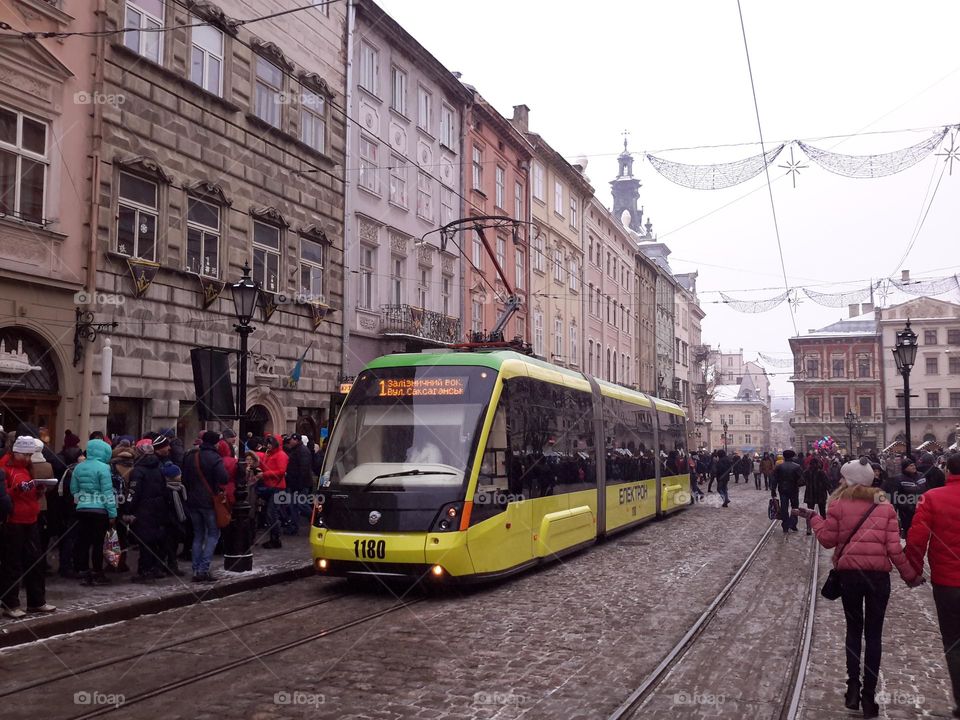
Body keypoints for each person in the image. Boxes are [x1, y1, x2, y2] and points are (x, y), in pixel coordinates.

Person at [796, 458, 922, 718]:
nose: (840, 481)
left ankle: (852, 687)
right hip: (878, 580)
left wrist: (815, 519)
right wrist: (910, 576)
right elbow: (894, 550)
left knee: (854, 631)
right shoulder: (884, 506)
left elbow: (828, 540)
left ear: (851, 480)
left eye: (844, 477)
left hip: (850, 577)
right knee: (874, 636)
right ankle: (869, 699)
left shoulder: (839, 505)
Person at [906, 452, 960, 719]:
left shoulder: (933, 498)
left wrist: (913, 573)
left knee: (954, 641)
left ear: (948, 470)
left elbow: (916, 539)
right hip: (947, 581)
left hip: (948, 584)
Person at [1, 436, 56, 617]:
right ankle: (10, 603)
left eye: (30, 455)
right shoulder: (4, 467)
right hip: (13, 521)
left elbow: (28, 493)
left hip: (30, 518)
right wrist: (17, 490)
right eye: (25, 455)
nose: (28, 458)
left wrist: (38, 490)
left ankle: (37, 601)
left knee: (35, 561)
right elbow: (3, 494)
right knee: (12, 563)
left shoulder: (27, 468)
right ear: (16, 452)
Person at [182, 431, 228, 582]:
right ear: (216, 443)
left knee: (198, 535)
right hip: (209, 501)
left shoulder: (190, 456)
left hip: (192, 501)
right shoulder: (215, 457)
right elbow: (224, 478)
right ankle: (203, 569)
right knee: (213, 535)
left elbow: (184, 478)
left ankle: (196, 570)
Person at [70, 438, 117, 585]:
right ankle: (97, 572)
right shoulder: (104, 468)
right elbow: (107, 492)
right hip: (99, 510)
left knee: (83, 542)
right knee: (98, 543)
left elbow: (73, 489)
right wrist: (112, 513)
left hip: (82, 509)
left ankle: (84, 572)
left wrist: (81, 501)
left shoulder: (79, 467)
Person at [126, 438, 172, 581]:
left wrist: (127, 509)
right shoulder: (159, 468)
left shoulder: (138, 471)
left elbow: (133, 492)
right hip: (158, 508)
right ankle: (154, 567)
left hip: (143, 509)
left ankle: (145, 570)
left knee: (144, 541)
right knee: (154, 539)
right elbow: (165, 489)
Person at [260, 435, 289, 549]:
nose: (268, 446)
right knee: (271, 514)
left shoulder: (280, 455)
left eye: (270, 443)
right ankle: (274, 538)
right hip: (273, 486)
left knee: (272, 514)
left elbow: (281, 471)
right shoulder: (272, 454)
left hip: (277, 487)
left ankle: (275, 539)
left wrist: (264, 474)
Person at [884, 457, 925, 537]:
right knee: (909, 530)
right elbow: (895, 495)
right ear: (905, 468)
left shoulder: (921, 475)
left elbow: (926, 488)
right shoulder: (899, 479)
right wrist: (902, 506)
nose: (913, 467)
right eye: (910, 466)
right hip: (907, 511)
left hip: (921, 507)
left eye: (913, 465)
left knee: (921, 530)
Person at [283, 434, 313, 536]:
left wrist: (299, 484)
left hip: (300, 483)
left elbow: (303, 469)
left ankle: (315, 517)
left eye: (291, 440)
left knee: (301, 504)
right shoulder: (296, 450)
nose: (290, 442)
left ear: (296, 440)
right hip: (295, 483)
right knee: (293, 506)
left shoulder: (302, 451)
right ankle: (294, 527)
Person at [770, 449, 803, 533]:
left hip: (783, 489)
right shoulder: (797, 467)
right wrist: (796, 484)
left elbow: (774, 479)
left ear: (784, 457)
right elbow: (802, 480)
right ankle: (793, 524)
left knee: (784, 507)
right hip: (794, 489)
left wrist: (773, 490)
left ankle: (785, 525)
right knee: (795, 507)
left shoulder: (779, 467)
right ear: (792, 457)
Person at [803, 453, 831, 536]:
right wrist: (831, 493)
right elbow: (827, 484)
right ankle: (824, 527)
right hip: (820, 494)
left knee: (809, 512)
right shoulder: (821, 472)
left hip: (810, 494)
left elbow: (801, 482)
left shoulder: (806, 472)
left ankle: (809, 528)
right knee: (822, 512)